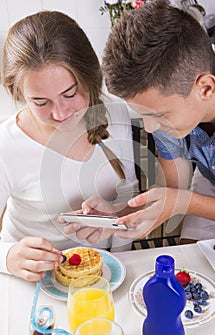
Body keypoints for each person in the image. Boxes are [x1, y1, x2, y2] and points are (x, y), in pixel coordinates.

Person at [0, 10, 138, 281]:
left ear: (89, 78)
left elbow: (131, 202)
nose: (60, 113)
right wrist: (8, 257)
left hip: (106, 274)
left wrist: (114, 216)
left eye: (70, 93)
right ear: (19, 94)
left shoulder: (114, 113)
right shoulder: (6, 145)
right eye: (41, 102)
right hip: (31, 282)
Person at [94, 0, 215, 244]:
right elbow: (173, 190)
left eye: (157, 116)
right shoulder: (162, 110)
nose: (149, 128)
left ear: (206, 88)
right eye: (144, 115)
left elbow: (179, 200)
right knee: (191, 272)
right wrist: (119, 214)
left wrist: (182, 203)